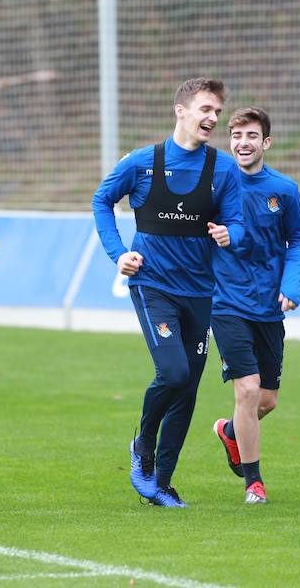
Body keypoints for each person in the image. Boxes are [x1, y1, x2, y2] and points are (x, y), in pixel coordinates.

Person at [91, 78, 244, 508]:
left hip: (200, 291)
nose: (213, 118)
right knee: (174, 373)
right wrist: (118, 254)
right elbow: (102, 200)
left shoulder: (224, 169)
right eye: (205, 109)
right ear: (181, 111)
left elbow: (238, 223)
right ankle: (142, 443)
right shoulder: (142, 163)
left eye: (217, 112)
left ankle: (161, 482)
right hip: (153, 284)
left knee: (188, 388)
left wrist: (230, 234)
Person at [210, 107, 300, 504]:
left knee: (267, 400)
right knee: (248, 391)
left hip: (268, 306)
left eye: (251, 135)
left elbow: (297, 241)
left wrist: (291, 283)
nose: (243, 143)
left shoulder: (284, 190)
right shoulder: (215, 185)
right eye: (236, 135)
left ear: (265, 142)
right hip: (226, 303)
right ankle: (254, 483)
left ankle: (230, 432)